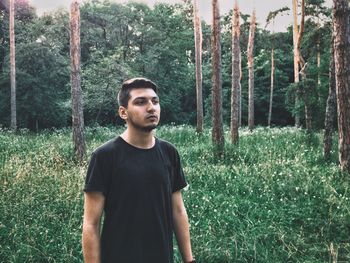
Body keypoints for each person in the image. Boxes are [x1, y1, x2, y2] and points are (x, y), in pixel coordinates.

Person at [82, 77, 196, 263]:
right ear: (123, 112)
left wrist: (189, 260)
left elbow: (178, 211)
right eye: (141, 102)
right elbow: (91, 224)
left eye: (155, 101)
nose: (151, 107)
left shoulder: (169, 153)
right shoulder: (105, 156)